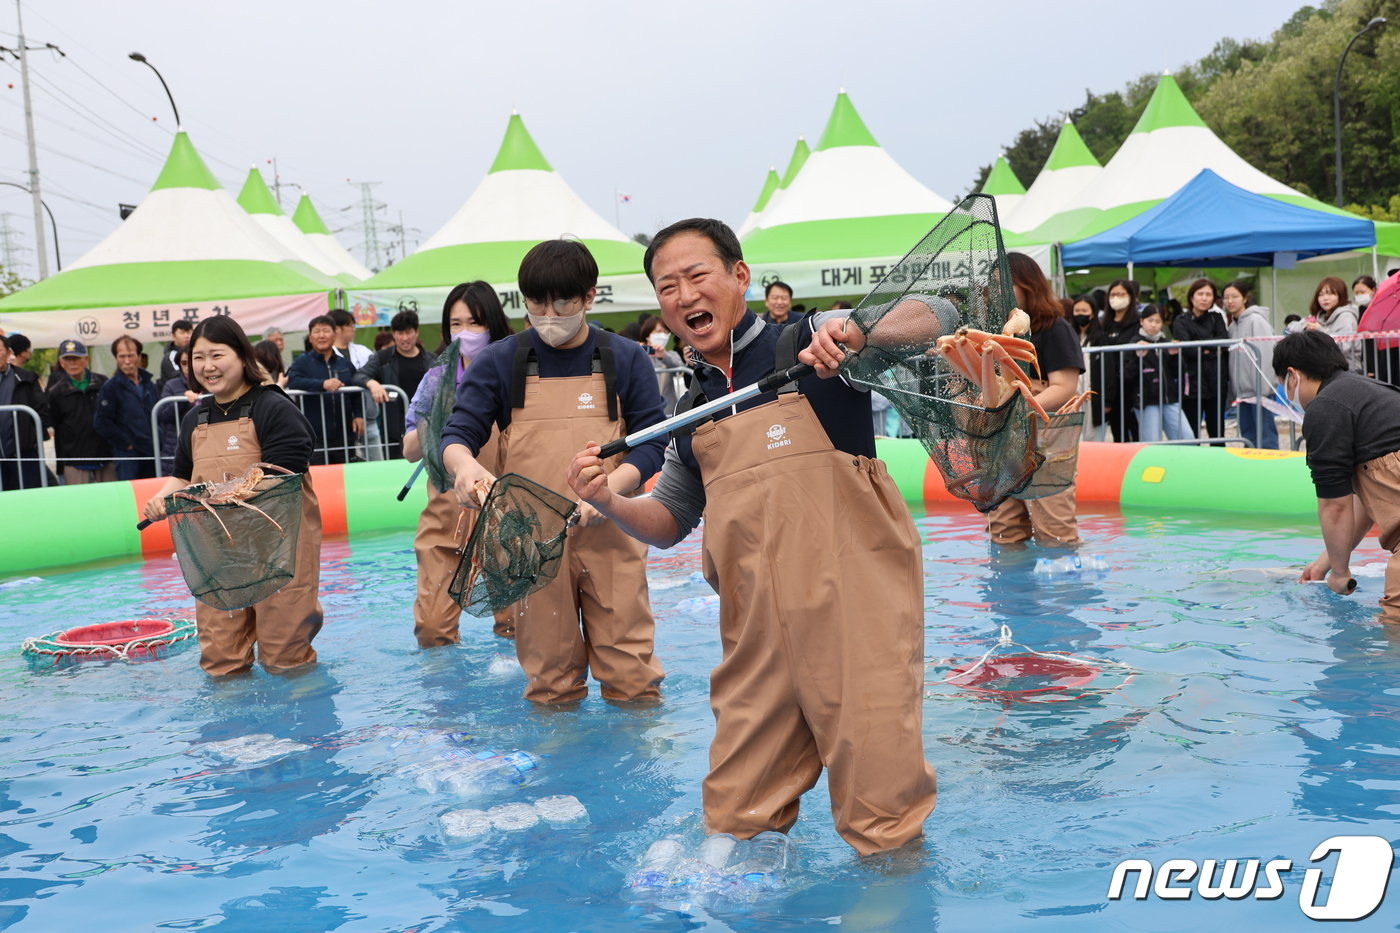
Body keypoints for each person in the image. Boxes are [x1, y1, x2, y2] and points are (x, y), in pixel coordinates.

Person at [565, 218, 937, 855]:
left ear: (740, 277)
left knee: (884, 818)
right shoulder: (690, 408)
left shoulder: (811, 341)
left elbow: (935, 313)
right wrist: (611, 500)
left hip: (855, 619)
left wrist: (857, 331)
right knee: (734, 822)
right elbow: (672, 521)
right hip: (756, 638)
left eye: (696, 276)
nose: (683, 296)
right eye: (667, 286)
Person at [440, 239, 668, 706]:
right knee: (550, 681)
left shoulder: (625, 357)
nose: (548, 313)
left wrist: (610, 494)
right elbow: (458, 432)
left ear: (589, 296)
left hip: (611, 533)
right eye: (535, 302)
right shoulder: (500, 361)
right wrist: (463, 466)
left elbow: (652, 441)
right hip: (532, 543)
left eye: (561, 301)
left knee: (632, 677)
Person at [142, 316, 323, 676]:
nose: (207, 366)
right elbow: (181, 474)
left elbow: (284, 475)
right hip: (219, 556)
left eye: (217, 355)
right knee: (221, 660)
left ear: (242, 356)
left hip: (279, 551)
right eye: (197, 357)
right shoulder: (195, 419)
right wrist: (162, 498)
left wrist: (229, 494)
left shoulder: (274, 407)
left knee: (284, 657)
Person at [403, 281, 514, 647]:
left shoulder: (514, 370)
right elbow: (408, 451)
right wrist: (434, 413)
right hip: (446, 512)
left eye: (475, 323)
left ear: (493, 326)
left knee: (516, 625)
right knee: (433, 629)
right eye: (455, 324)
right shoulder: (436, 378)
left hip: (504, 512)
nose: (464, 332)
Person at [1278, 329, 1400, 622]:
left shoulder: (1325, 408)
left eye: (1283, 383)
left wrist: (1342, 572)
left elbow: (1336, 504)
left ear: (1292, 375)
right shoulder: (1371, 392)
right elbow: (1370, 502)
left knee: (1393, 631)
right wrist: (1328, 562)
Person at [986, 252, 1085, 546]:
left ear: (1029, 286)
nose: (998, 293)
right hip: (1004, 440)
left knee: (1054, 526)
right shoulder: (996, 334)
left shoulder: (1055, 328)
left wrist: (1020, 409)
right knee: (1004, 529)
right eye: (993, 286)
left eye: (1006, 284)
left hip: (1048, 438)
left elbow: (1065, 386)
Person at [353, 310, 434, 460]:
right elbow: (359, 375)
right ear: (394, 334)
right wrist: (372, 383)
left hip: (426, 429)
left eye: (408, 332)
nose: (404, 338)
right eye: (399, 333)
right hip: (392, 431)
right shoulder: (383, 358)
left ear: (416, 332)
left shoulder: (431, 360)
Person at [286, 315, 363, 465]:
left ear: (335, 335)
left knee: (346, 477)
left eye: (326, 331)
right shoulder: (301, 362)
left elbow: (356, 392)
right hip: (315, 436)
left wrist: (359, 415)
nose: (321, 335)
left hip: (344, 435)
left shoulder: (345, 364)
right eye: (317, 331)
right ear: (310, 337)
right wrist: (322, 384)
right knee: (319, 478)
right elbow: (293, 381)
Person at [45, 339, 115, 485]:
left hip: (106, 454)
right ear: (61, 362)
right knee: (79, 505)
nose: (72, 363)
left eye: (76, 358)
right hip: (75, 459)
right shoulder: (56, 392)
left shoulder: (103, 383)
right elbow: (56, 424)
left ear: (86, 359)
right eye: (67, 359)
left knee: (110, 501)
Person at [93, 335, 158, 480]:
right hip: (128, 454)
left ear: (139, 356)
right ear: (116, 358)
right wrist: (126, 444)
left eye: (131, 355)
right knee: (131, 495)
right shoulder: (110, 387)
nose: (127, 361)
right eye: (122, 356)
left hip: (152, 450)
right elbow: (101, 422)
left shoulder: (148, 383)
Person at [1223, 280, 1279, 449]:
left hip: (1260, 391)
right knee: (1248, 435)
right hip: (1242, 392)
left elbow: (1267, 353)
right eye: (1226, 297)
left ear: (1245, 298)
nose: (1230, 301)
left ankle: (1271, 470)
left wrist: (1263, 388)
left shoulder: (1256, 320)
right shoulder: (1233, 325)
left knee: (1265, 435)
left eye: (1234, 296)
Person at [1126, 305, 1194, 442]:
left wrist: (1174, 356)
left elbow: (1177, 373)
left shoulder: (1165, 343)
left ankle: (1181, 463)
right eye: (1150, 320)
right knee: (1152, 442)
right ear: (1142, 321)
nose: (1153, 325)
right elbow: (1126, 374)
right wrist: (1138, 358)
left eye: (1158, 321)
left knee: (1187, 437)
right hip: (1146, 400)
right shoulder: (1134, 343)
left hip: (1169, 398)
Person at [1173, 278, 1229, 443]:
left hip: (1216, 381)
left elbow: (1223, 342)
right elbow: (1188, 349)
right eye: (1200, 294)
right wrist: (1209, 348)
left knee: (1217, 432)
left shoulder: (1216, 318)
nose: (1204, 298)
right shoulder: (1181, 320)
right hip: (1192, 383)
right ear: (1192, 297)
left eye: (1208, 294)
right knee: (1191, 432)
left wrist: (1202, 348)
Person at [330, 308, 383, 461]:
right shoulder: (328, 355)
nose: (354, 329)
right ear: (338, 329)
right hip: (340, 424)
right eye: (350, 325)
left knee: (377, 464)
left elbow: (375, 373)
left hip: (369, 418)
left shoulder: (363, 351)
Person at [0, 333, 49, 490]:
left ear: (8, 352)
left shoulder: (26, 378)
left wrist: (31, 438)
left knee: (29, 499)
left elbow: (42, 410)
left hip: (24, 454)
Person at [1099, 279, 1140, 442]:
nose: (1116, 297)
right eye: (1113, 294)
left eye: (1121, 294)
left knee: (1135, 429)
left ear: (1131, 297)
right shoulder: (1104, 324)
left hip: (1132, 385)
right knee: (1117, 430)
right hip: (1111, 385)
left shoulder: (1138, 322)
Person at [156, 346, 202, 474]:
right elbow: (162, 415)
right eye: (184, 362)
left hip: (207, 445)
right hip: (176, 446)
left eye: (192, 361)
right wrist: (181, 400)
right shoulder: (171, 385)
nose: (188, 366)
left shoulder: (210, 382)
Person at [1071, 294, 1107, 441]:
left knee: (1096, 440)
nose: (1080, 314)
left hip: (1094, 398)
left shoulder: (1101, 337)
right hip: (1073, 397)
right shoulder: (1070, 336)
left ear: (1092, 313)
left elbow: (1108, 370)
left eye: (1084, 311)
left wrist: (1108, 400)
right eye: (1077, 310)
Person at [1306, 276, 1360, 372]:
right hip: (1329, 370)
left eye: (1331, 293)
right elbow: (1292, 328)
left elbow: (1343, 347)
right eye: (1321, 294)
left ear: (1341, 295)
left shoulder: (1346, 316)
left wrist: (1320, 331)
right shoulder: (1319, 317)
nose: (1325, 298)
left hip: (1348, 371)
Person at [638, 315, 685, 414]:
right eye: (659, 331)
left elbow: (680, 369)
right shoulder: (638, 354)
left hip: (669, 409)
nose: (663, 335)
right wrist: (638, 351)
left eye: (666, 332)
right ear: (647, 334)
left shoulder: (671, 354)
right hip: (645, 409)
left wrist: (664, 356)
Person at [159, 319, 193, 387]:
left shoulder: (197, 352)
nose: (186, 336)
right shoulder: (170, 356)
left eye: (189, 332)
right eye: (182, 333)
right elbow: (177, 376)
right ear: (173, 336)